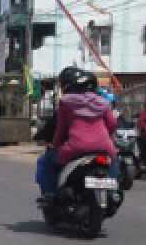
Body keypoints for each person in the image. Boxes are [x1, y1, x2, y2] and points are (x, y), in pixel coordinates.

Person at [40, 66, 117, 199]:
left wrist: (55, 145)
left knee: (47, 161)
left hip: (76, 147)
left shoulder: (66, 103)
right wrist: (105, 138)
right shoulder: (103, 102)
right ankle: (114, 191)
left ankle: (51, 194)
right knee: (114, 161)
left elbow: (61, 129)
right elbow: (112, 124)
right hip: (104, 147)